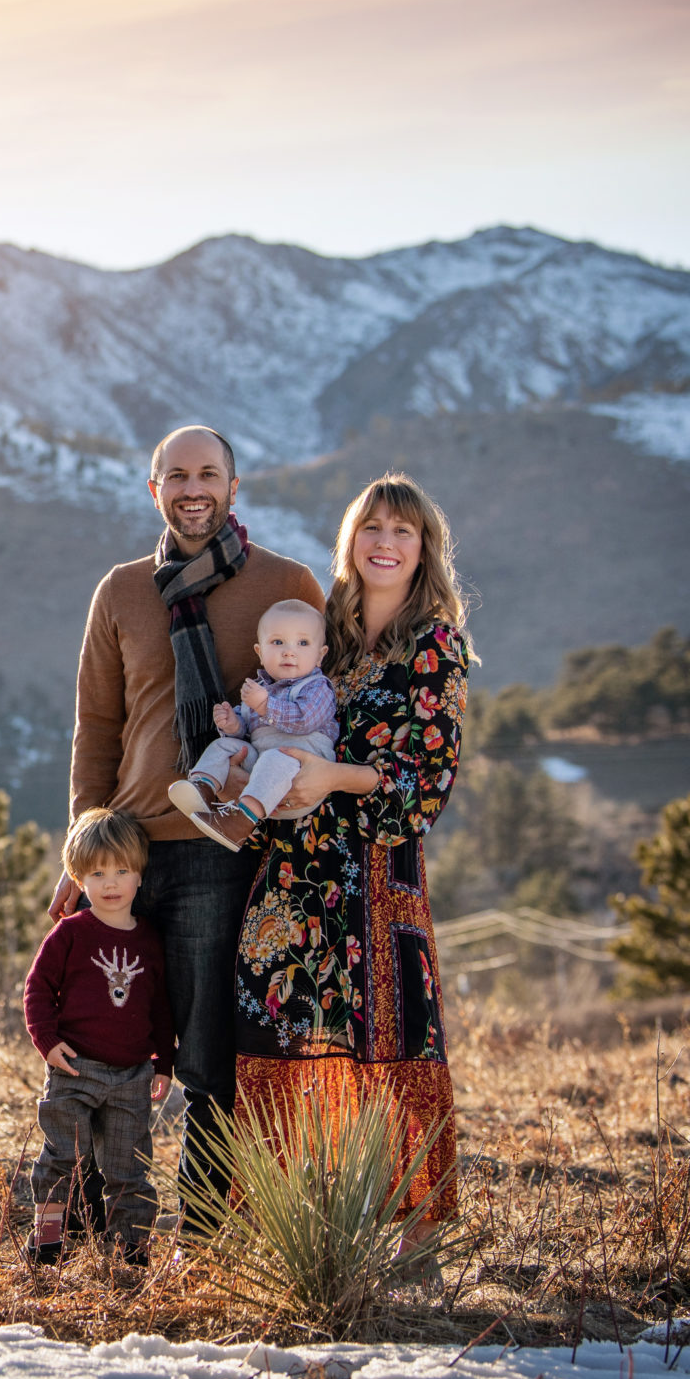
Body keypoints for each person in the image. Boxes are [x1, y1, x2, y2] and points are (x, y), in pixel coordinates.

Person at [60, 425, 324, 1224]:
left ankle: (206, 1238)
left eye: (209, 472)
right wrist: (81, 852)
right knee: (107, 1052)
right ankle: (106, 1228)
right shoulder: (120, 589)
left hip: (219, 850)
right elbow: (97, 728)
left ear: (235, 487)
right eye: (176, 475)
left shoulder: (290, 587)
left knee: (209, 1057)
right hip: (126, 853)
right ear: (154, 490)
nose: (193, 487)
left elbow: (321, 717)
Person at [232, 472, 472, 1228]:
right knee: (277, 1022)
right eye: (373, 527)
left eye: (403, 530)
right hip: (294, 863)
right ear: (351, 540)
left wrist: (336, 776)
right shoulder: (321, 629)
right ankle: (287, 1220)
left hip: (374, 866)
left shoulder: (435, 642)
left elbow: (430, 778)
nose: (386, 542)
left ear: (425, 546)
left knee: (391, 1033)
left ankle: (414, 1241)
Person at [21, 808, 174, 1266]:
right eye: (97, 872)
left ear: (140, 876)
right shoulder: (70, 934)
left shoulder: (150, 940)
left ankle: (132, 1254)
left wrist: (163, 1061)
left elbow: (160, 1007)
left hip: (132, 1076)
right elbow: (37, 990)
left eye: (122, 870)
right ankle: (47, 1242)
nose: (111, 883)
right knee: (62, 1159)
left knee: (130, 1169)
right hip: (75, 1069)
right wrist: (47, 1043)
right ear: (78, 879)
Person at [167, 598, 337, 848]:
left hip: (303, 773)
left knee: (275, 758)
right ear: (260, 652)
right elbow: (247, 732)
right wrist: (233, 724)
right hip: (264, 775)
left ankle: (239, 824)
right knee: (224, 747)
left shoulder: (317, 687)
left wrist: (265, 706)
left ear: (320, 655)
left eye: (303, 643)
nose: (289, 651)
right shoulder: (259, 690)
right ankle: (202, 790)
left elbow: (305, 720)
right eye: (277, 642)